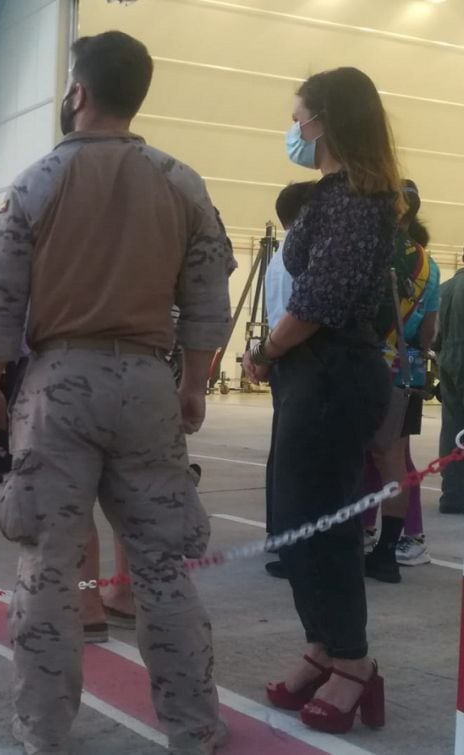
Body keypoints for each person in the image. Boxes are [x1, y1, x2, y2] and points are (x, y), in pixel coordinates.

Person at [0, 32, 234, 754]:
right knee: (161, 566)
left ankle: (44, 729)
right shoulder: (181, 182)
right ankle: (193, 723)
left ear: (78, 93)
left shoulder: (35, 184)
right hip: (149, 381)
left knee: (49, 564)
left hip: (59, 387)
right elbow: (208, 296)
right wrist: (193, 381)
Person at [244, 66, 400, 734]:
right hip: (312, 373)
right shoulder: (331, 195)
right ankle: (322, 644)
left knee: (324, 522)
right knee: (292, 516)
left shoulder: (359, 199)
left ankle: (354, 662)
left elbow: (322, 299)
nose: (295, 128)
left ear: (327, 120)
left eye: (300, 115)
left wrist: (268, 348)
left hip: (335, 371)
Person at [362, 179, 439, 581]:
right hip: (406, 371)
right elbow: (428, 332)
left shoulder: (371, 250)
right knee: (395, 459)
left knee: (357, 456)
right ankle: (389, 550)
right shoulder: (429, 263)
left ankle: (358, 534)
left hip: (367, 365)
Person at [261, 181, 319, 580]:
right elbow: (302, 316)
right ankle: (296, 548)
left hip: (285, 359)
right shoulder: (301, 257)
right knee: (301, 458)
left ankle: (282, 537)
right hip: (301, 358)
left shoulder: (280, 257)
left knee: (285, 453)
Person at [437, 248, 464, 514]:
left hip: (448, 362)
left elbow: (433, 336)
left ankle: (453, 495)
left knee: (453, 428)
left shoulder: (445, 289)